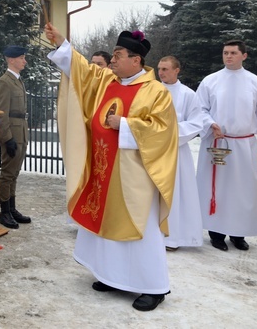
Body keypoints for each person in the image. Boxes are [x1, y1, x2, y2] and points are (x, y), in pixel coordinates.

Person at [45, 23, 178, 311]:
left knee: (138, 230)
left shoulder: (156, 92)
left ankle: (153, 287)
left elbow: (163, 131)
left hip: (135, 177)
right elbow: (82, 71)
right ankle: (110, 275)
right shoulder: (108, 81)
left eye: (118, 55)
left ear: (136, 60)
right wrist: (61, 43)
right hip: (104, 169)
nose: (113, 60)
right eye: (114, 55)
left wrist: (127, 125)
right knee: (102, 221)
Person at [195, 40, 257, 251]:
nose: (228, 56)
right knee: (218, 191)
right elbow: (199, 110)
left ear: (244, 55)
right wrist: (210, 123)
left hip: (244, 146)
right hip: (217, 144)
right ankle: (216, 233)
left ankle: (238, 234)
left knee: (242, 192)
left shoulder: (256, 83)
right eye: (225, 53)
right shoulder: (210, 81)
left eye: (233, 53)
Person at [157, 56, 204, 250]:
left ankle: (172, 237)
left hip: (176, 152)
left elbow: (196, 122)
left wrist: (168, 134)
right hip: (152, 151)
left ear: (177, 70)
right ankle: (151, 236)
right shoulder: (151, 90)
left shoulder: (188, 95)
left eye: (165, 69)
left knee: (174, 194)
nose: (161, 73)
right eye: (159, 69)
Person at [0, 45, 31, 229]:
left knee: (15, 172)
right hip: (12, 133)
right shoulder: (4, 82)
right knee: (7, 173)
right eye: (21, 58)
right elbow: (1, 113)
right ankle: (4, 211)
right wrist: (7, 138)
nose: (25, 61)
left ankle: (12, 208)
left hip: (21, 130)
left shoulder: (17, 80)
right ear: (11, 59)